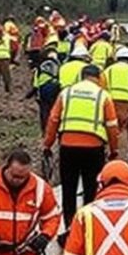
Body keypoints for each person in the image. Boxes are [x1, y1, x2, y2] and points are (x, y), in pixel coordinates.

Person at [46, 64, 116, 223]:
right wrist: (114, 150)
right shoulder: (103, 96)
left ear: (81, 76)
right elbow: (112, 126)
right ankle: (87, 225)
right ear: (98, 78)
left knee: (68, 189)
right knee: (91, 190)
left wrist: (47, 144)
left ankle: (70, 226)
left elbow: (53, 120)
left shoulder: (66, 93)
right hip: (94, 149)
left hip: (68, 147)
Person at [103, 47, 128, 142]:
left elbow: (102, 86)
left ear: (117, 58)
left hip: (110, 101)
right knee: (123, 128)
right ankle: (120, 146)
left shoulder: (108, 70)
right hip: (125, 102)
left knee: (110, 124)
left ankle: (110, 144)